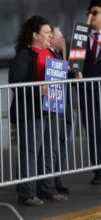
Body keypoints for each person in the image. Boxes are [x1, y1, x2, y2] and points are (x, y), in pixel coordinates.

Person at [9, 15, 68, 207]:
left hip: (52, 108)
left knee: (50, 150)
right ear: (35, 35)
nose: (50, 36)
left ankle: (48, 189)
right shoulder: (24, 55)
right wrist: (38, 89)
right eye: (47, 33)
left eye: (51, 33)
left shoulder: (52, 53)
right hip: (32, 110)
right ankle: (27, 193)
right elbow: (15, 82)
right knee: (31, 151)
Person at [48, 26, 71, 194]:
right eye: (60, 36)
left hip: (67, 105)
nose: (63, 40)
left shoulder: (60, 55)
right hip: (56, 107)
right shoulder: (51, 56)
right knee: (55, 145)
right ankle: (52, 181)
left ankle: (57, 178)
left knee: (63, 144)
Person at [81, 0, 101, 185]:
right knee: (93, 130)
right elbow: (74, 61)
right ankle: (98, 170)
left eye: (94, 12)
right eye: (89, 12)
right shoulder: (82, 36)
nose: (91, 16)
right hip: (87, 91)